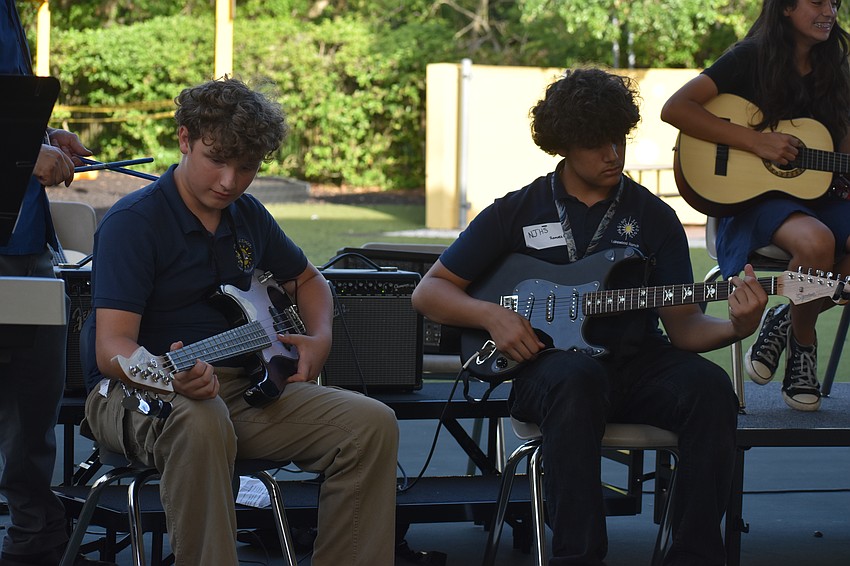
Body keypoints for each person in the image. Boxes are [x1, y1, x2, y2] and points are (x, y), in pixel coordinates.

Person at [411, 67, 768, 566]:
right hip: (549, 371)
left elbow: (684, 328)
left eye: (619, 139)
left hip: (636, 364)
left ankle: (695, 556)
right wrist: (492, 316)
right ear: (563, 143)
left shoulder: (654, 217)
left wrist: (737, 326)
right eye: (596, 144)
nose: (613, 154)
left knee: (710, 389)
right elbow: (429, 291)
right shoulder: (518, 210)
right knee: (576, 377)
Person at [79, 77, 399, 565]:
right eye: (217, 160)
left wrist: (320, 338)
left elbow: (308, 280)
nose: (230, 181)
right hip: (134, 392)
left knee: (372, 425)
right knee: (201, 420)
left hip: (242, 389)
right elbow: (113, 348)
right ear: (185, 139)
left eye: (247, 167)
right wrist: (172, 378)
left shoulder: (247, 215)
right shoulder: (134, 222)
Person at [661, 0, 850, 412]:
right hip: (752, 199)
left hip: (820, 194)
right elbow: (676, 108)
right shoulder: (750, 57)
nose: (830, 11)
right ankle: (803, 345)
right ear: (785, 8)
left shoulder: (837, 65)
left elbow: (842, 142)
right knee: (817, 242)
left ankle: (786, 320)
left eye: (835, 3)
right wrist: (757, 142)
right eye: (817, 1)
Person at [0, 2, 102, 566]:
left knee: (34, 403)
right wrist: (22, 150)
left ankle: (35, 541)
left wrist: (43, 136)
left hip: (27, 244)